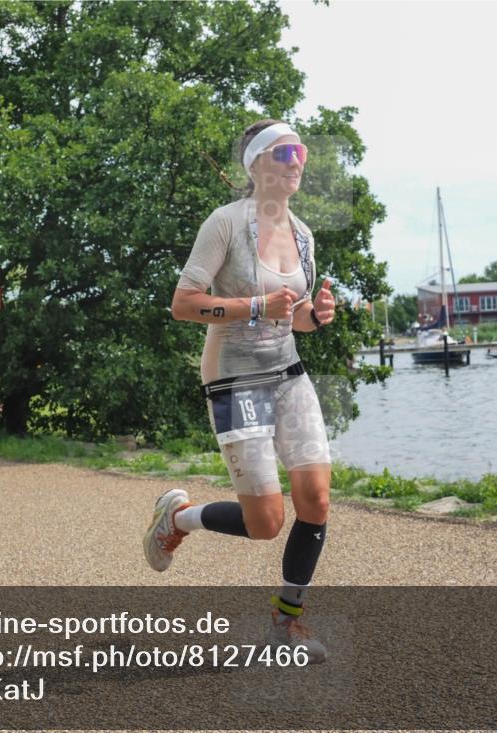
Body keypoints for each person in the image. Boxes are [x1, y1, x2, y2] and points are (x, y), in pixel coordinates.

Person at [142, 119, 337, 661]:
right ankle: (177, 518)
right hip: (234, 376)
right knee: (266, 524)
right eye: (284, 152)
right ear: (255, 165)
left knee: (316, 499)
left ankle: (286, 620)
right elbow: (184, 304)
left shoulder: (303, 233)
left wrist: (314, 317)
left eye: (300, 152)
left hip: (288, 373)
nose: (297, 160)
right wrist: (253, 306)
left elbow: (291, 317)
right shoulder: (225, 224)